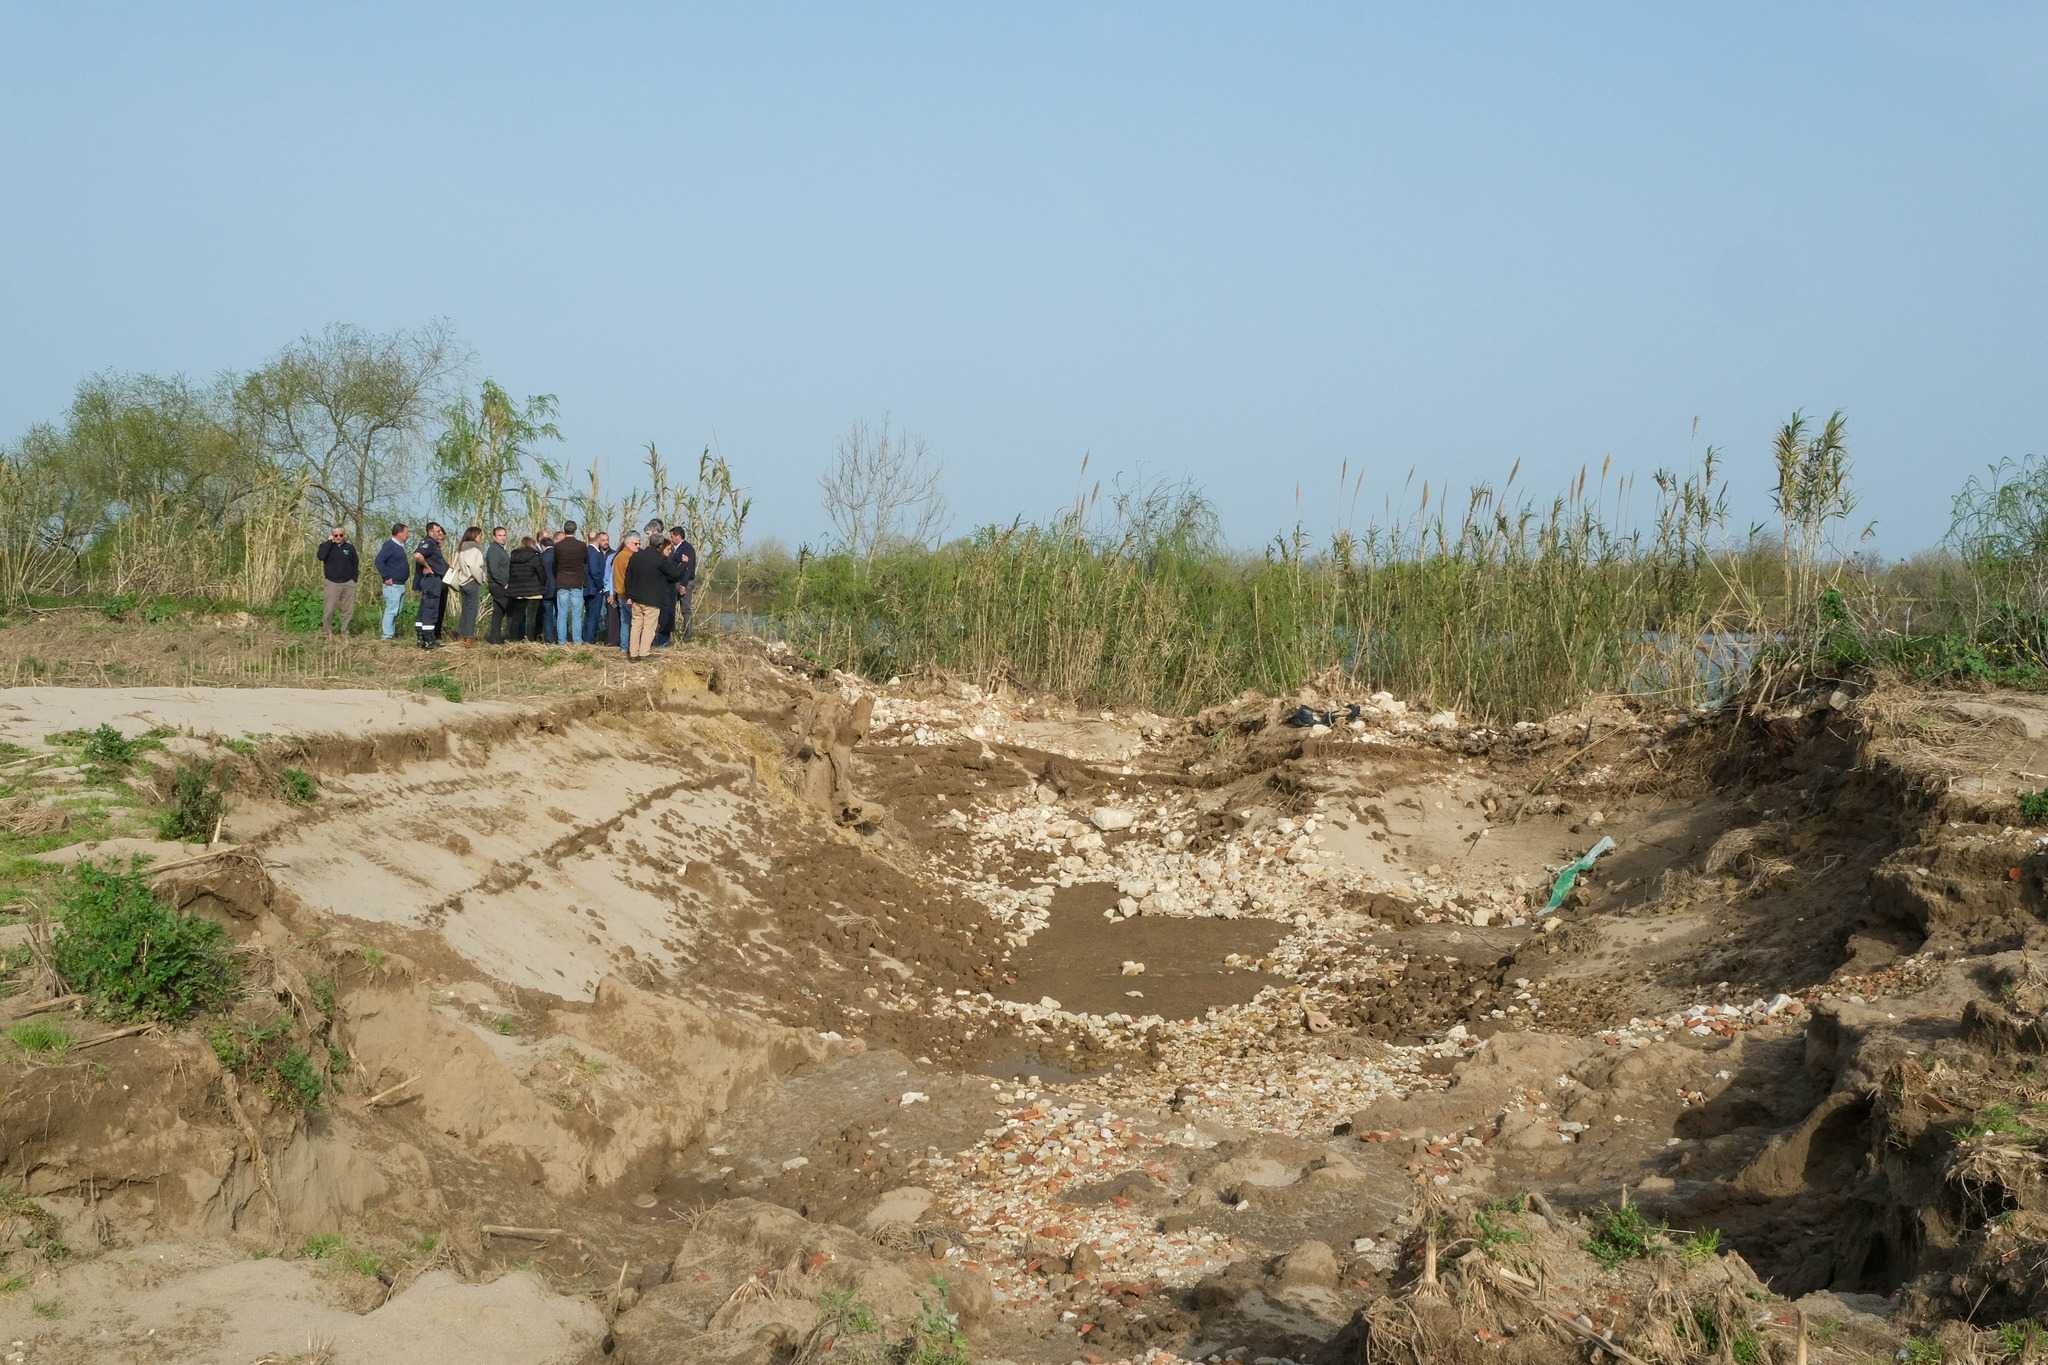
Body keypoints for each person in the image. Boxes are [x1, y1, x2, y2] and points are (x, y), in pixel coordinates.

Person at [624, 528, 682, 659]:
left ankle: (633, 653)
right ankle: (644, 653)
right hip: (652, 600)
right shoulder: (660, 559)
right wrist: (683, 564)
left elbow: (628, 577)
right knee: (649, 627)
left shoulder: (636, 556)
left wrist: (629, 595)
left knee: (636, 626)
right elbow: (675, 574)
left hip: (636, 599)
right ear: (660, 545)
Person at [315, 526, 359, 638]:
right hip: (332, 582)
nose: (338, 537)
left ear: (344, 535)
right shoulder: (326, 546)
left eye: (341, 535)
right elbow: (321, 556)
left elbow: (355, 563)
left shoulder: (349, 548)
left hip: (348, 583)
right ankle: (326, 632)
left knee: (347, 610)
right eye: (335, 535)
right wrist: (329, 542)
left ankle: (344, 632)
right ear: (332, 535)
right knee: (329, 609)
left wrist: (354, 579)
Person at [412, 521, 449, 650]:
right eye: (438, 531)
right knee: (430, 609)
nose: (440, 533)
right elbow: (417, 555)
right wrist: (427, 566)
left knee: (423, 609)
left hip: (430, 581)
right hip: (432, 580)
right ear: (430, 531)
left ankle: (421, 637)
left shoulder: (431, 544)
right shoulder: (429, 543)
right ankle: (429, 640)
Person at [447, 527, 486, 644]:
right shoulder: (475, 549)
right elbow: (475, 568)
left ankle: (460, 633)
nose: (481, 538)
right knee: (472, 611)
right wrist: (481, 579)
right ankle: (468, 637)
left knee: (465, 610)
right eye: (479, 536)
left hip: (462, 582)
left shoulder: (461, 548)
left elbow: (456, 566)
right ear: (474, 536)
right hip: (472, 582)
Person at [507, 535, 548, 641]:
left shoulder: (513, 558)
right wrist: (542, 584)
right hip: (533, 591)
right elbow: (541, 574)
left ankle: (514, 639)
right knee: (531, 618)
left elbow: (510, 574)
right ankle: (529, 639)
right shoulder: (535, 557)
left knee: (517, 617)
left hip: (517, 591)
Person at [374, 523, 411, 641]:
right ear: (399, 533)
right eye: (406, 533)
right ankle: (387, 636)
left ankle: (391, 633)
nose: (408, 535)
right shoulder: (390, 545)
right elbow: (379, 561)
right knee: (391, 609)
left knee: (397, 610)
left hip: (400, 584)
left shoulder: (399, 546)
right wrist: (386, 577)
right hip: (392, 585)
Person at [552, 520, 587, 644]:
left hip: (562, 581)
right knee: (577, 614)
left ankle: (562, 641)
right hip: (576, 582)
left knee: (562, 614)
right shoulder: (582, 546)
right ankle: (577, 641)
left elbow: (555, 563)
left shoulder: (558, 546)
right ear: (575, 530)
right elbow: (585, 562)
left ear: (564, 530)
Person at [610, 532, 639, 656]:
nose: (638, 546)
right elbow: (632, 578)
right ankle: (634, 647)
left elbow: (614, 577)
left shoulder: (618, 556)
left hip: (621, 594)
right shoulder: (629, 557)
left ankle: (624, 646)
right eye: (636, 543)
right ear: (628, 543)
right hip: (629, 595)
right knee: (635, 623)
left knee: (625, 622)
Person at [484, 526, 511, 644]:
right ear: (494, 537)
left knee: (498, 612)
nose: (503, 537)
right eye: (500, 535)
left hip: (498, 585)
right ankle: (512, 637)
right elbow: (494, 570)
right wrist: (504, 584)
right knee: (511, 610)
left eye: (504, 535)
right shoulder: (494, 550)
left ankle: (494, 638)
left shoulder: (500, 549)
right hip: (498, 585)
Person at [582, 531, 609, 644]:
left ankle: (586, 637)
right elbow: (594, 571)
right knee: (593, 615)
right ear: (598, 539)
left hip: (589, 588)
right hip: (594, 589)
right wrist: (600, 586)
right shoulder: (594, 552)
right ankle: (589, 639)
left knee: (589, 615)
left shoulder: (588, 550)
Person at [537, 531, 558, 644]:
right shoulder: (558, 555)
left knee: (547, 615)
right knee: (560, 614)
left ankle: (549, 639)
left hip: (546, 589)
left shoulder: (541, 557)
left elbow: (540, 574)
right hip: (558, 588)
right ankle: (560, 637)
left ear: (542, 545)